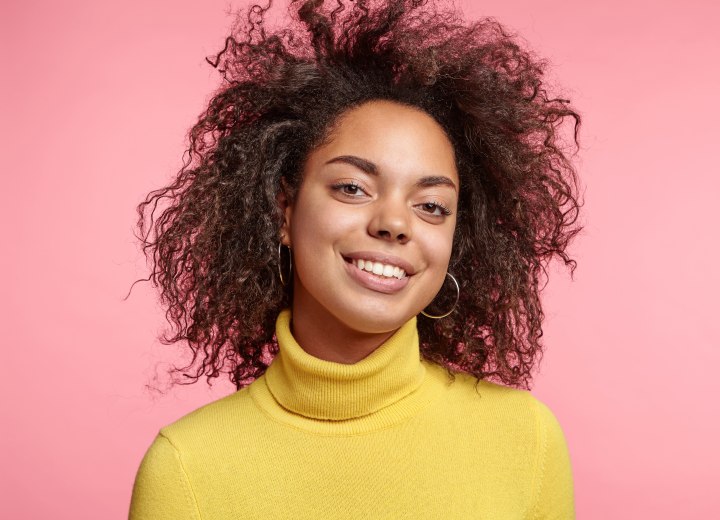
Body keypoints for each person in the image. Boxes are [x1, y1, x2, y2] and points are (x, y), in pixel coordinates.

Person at [128, 0, 583, 517]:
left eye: (431, 206)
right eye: (352, 187)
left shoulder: (525, 442)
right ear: (284, 209)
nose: (394, 223)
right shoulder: (188, 468)